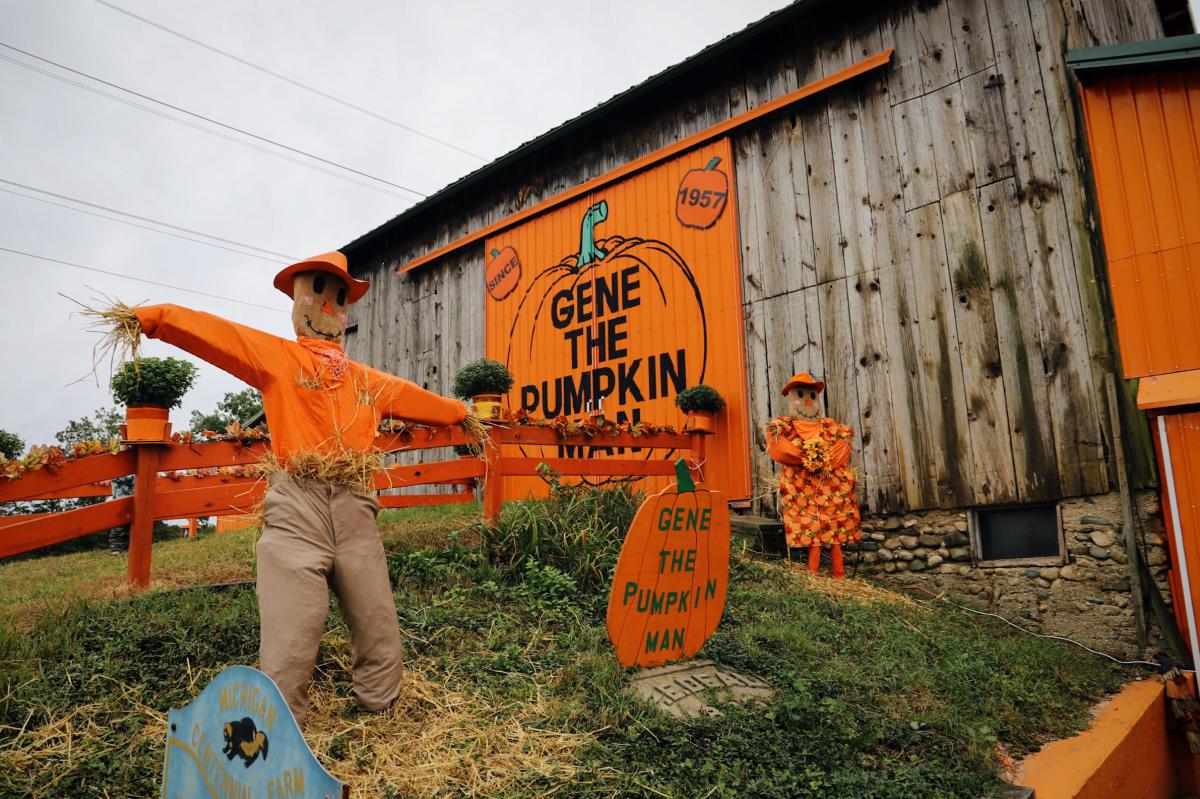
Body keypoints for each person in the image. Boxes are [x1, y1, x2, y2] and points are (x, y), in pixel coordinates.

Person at [124, 251, 467, 727]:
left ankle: (382, 706)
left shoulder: (368, 383)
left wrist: (461, 412)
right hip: (296, 505)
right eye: (318, 291)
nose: (329, 305)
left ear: (347, 310)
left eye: (339, 297)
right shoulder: (277, 357)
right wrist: (156, 319)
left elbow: (418, 399)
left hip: (354, 506)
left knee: (377, 618)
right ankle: (282, 732)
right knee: (294, 626)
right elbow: (218, 334)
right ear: (297, 299)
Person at [765, 372, 861, 578]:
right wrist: (807, 457)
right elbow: (778, 449)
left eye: (812, 394)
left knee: (835, 523)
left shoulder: (832, 427)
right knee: (810, 524)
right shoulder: (784, 426)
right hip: (801, 487)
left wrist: (823, 459)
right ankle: (813, 574)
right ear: (791, 397)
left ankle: (839, 574)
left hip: (831, 484)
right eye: (801, 394)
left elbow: (842, 448)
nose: (808, 400)